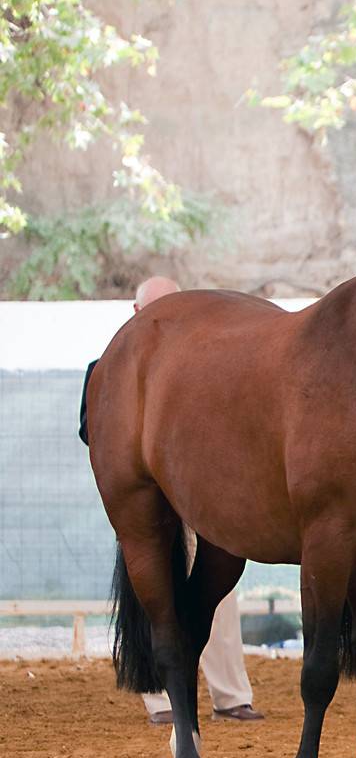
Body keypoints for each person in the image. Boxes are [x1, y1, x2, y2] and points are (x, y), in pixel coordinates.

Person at [81, 276, 264, 725]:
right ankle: (163, 696)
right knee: (155, 590)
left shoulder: (205, 368)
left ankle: (230, 693)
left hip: (202, 495)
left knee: (220, 593)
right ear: (135, 313)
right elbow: (94, 435)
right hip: (152, 501)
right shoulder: (108, 368)